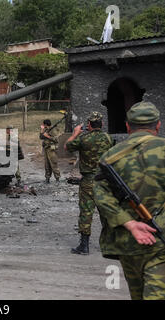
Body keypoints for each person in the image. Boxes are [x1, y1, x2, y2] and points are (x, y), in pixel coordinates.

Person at [94, 102, 165, 300]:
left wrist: (130, 223)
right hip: (160, 244)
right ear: (158, 125)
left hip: (129, 243)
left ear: (128, 126)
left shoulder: (111, 156)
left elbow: (100, 195)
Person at [65, 112, 113, 255]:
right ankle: (109, 246)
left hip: (88, 181)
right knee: (105, 211)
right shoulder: (108, 138)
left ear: (89, 125)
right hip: (104, 180)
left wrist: (75, 133)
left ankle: (84, 246)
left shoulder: (83, 139)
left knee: (86, 211)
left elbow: (67, 147)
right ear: (102, 124)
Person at [40, 119, 60, 184]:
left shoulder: (53, 130)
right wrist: (42, 130)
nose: (43, 125)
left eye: (43, 124)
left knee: (54, 164)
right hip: (46, 149)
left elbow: (56, 139)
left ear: (45, 124)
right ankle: (47, 178)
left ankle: (57, 178)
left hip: (51, 149)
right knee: (47, 164)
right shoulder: (45, 130)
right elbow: (41, 137)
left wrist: (48, 136)